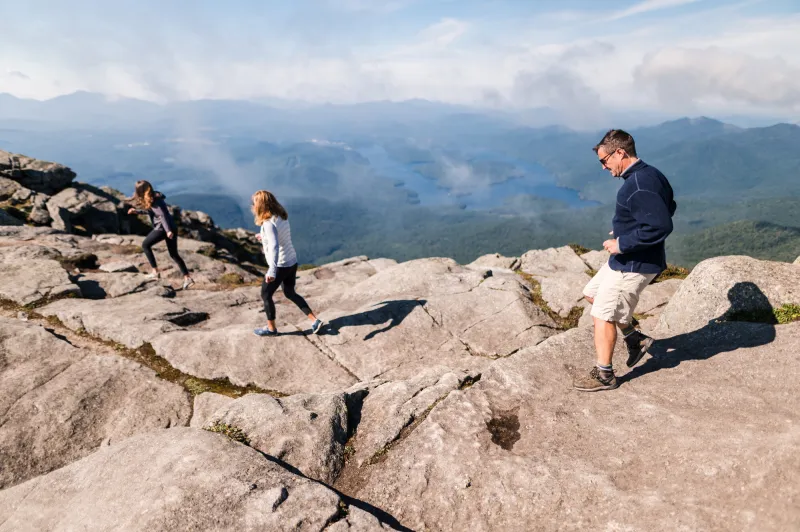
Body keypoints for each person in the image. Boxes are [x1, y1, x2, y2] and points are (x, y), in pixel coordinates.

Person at [574, 129, 677, 392]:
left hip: (634, 263)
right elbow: (668, 205)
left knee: (603, 315)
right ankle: (634, 338)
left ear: (620, 152)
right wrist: (628, 226)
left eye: (604, 160)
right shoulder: (650, 174)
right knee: (591, 294)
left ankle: (605, 375)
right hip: (627, 260)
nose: (603, 166)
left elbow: (661, 225)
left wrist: (622, 243)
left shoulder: (639, 183)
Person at [251, 190, 324, 336]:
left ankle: (271, 329)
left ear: (260, 205)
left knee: (266, 294)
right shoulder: (280, 217)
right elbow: (279, 237)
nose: (252, 206)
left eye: (254, 203)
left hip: (280, 265)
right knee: (290, 292)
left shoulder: (268, 223)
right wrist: (263, 237)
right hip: (292, 261)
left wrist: (272, 270)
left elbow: (275, 246)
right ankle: (314, 320)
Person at [127, 180, 194, 290]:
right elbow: (152, 212)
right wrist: (137, 212)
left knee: (145, 245)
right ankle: (187, 278)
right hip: (170, 227)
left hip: (163, 229)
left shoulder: (155, 200)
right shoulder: (153, 197)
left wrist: (167, 231)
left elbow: (162, 216)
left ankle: (155, 272)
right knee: (174, 254)